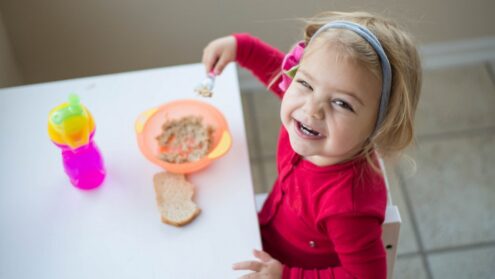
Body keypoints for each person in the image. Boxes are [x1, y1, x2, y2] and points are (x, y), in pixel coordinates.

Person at [202, 11, 421, 279]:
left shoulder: (349, 206)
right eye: (304, 82)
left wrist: (285, 275)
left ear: (380, 123)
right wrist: (242, 47)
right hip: (264, 235)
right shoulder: (308, 120)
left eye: (341, 103)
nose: (312, 109)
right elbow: (274, 66)